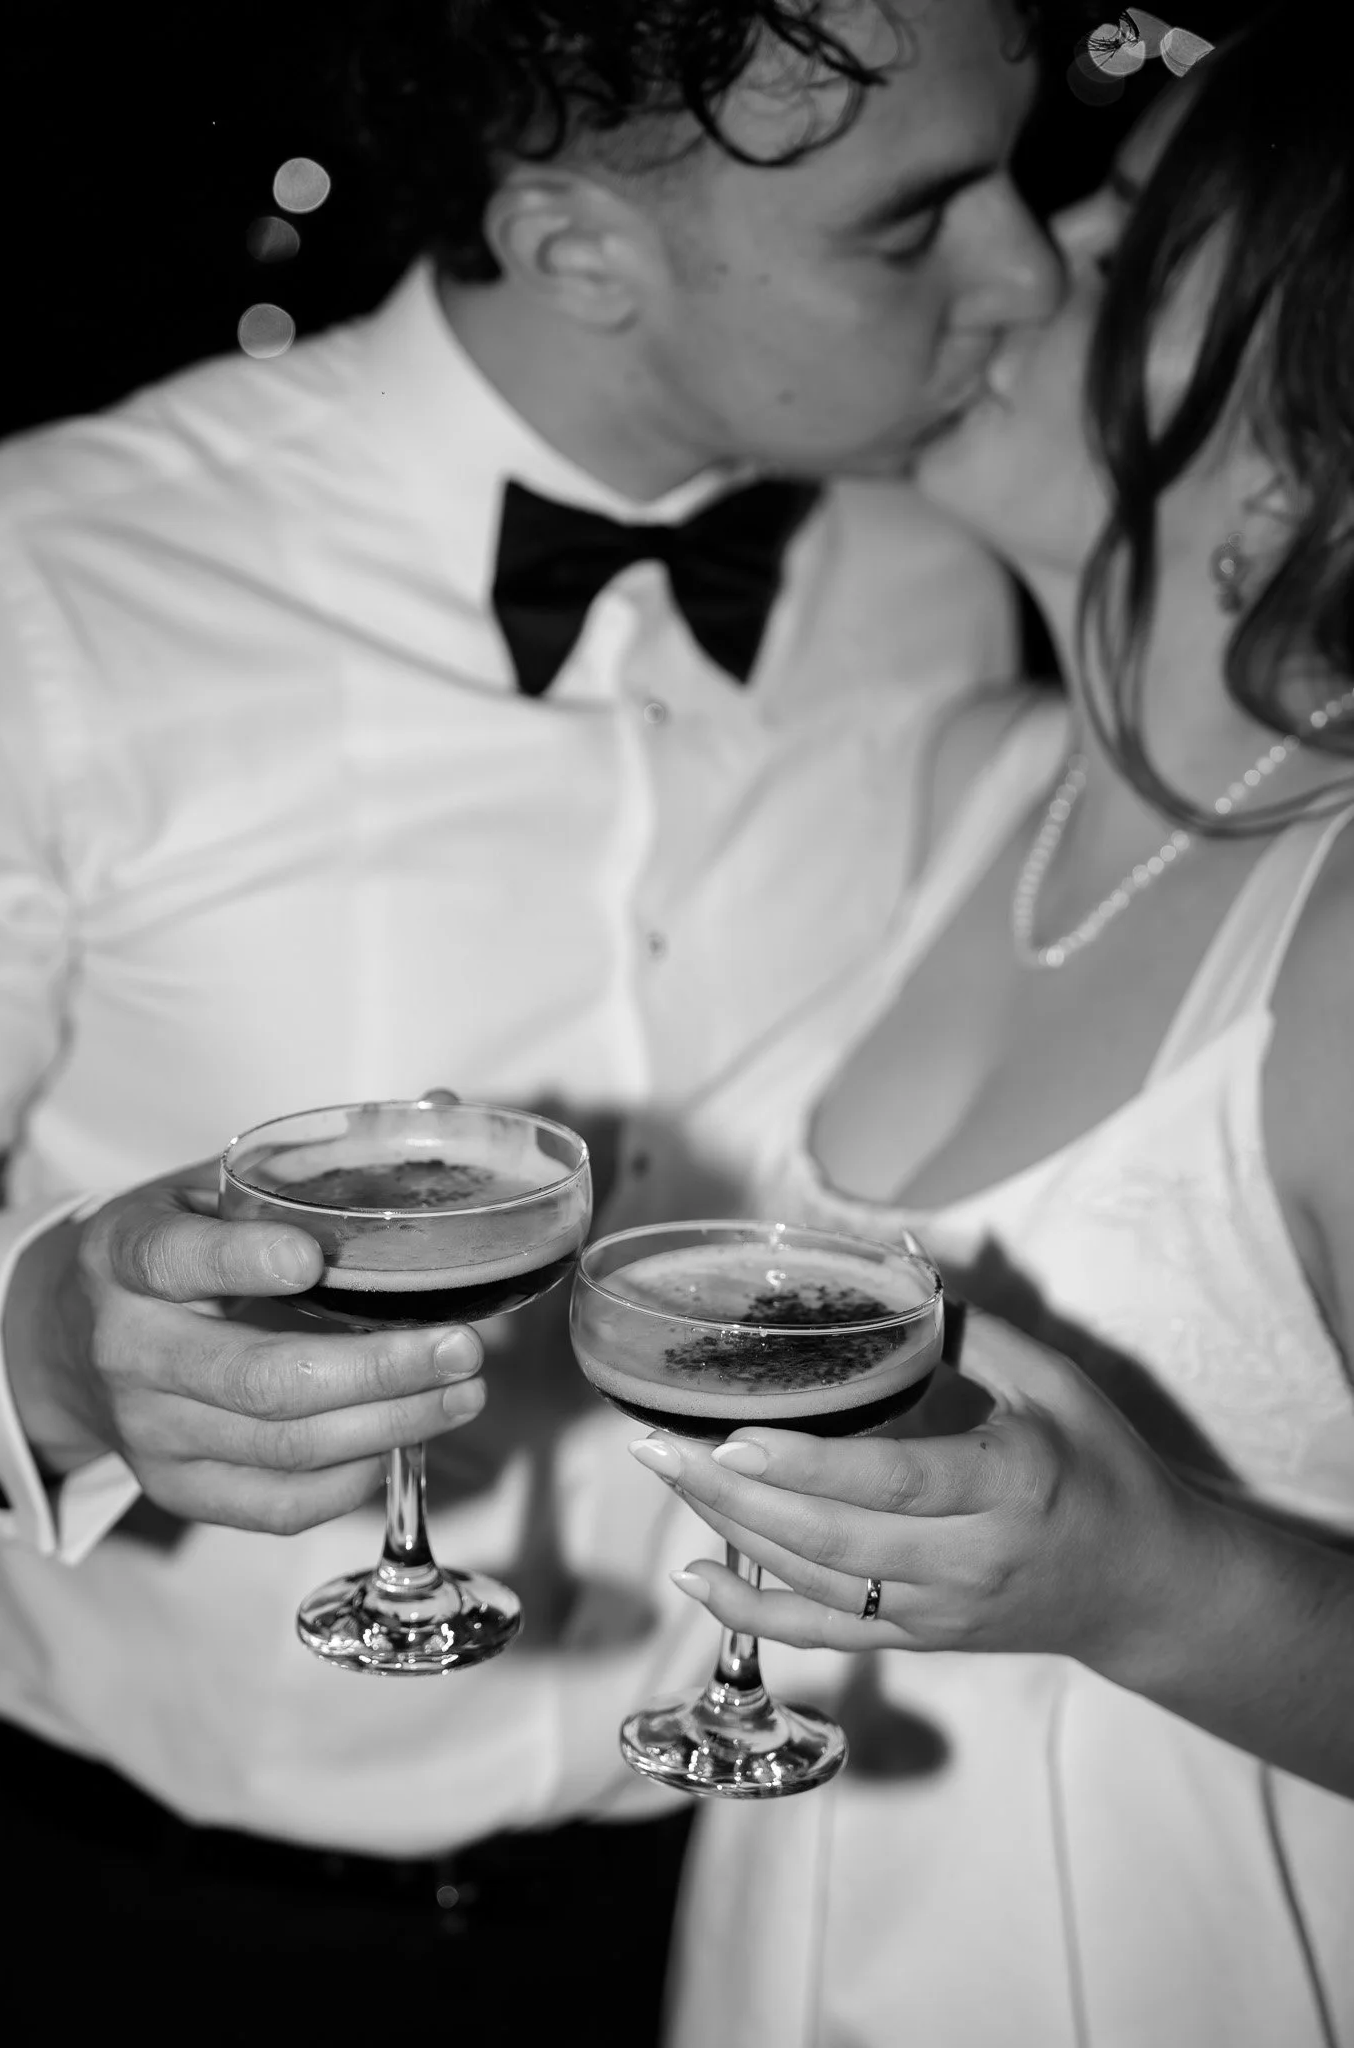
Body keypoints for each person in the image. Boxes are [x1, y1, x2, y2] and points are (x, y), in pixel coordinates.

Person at [0, 1, 1059, 2035]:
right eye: (915, 219)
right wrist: (44, 1345)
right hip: (140, 1931)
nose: (1027, 269)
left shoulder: (937, 577)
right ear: (578, 249)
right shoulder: (43, 583)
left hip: (742, 1903)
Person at [648, 10, 1354, 2044]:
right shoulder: (967, 781)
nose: (1027, 264)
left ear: (1302, 443)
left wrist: (1153, 1581)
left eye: (1125, 244)